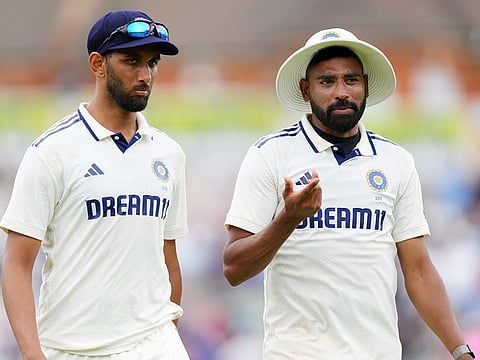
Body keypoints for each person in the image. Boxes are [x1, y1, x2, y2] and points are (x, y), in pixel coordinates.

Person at [223, 28, 476, 360]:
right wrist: (288, 220)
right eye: (327, 82)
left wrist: (460, 351)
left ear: (366, 86)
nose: (341, 92)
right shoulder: (270, 154)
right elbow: (233, 268)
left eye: (351, 80)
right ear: (305, 89)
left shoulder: (395, 161)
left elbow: (419, 271)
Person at [1, 10, 190, 360]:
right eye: (132, 61)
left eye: (152, 63)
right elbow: (15, 264)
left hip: (155, 343)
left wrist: (167, 335)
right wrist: (32, 354)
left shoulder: (170, 153)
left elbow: (168, 258)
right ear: (98, 64)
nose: (145, 74)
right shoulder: (51, 152)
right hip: (75, 348)